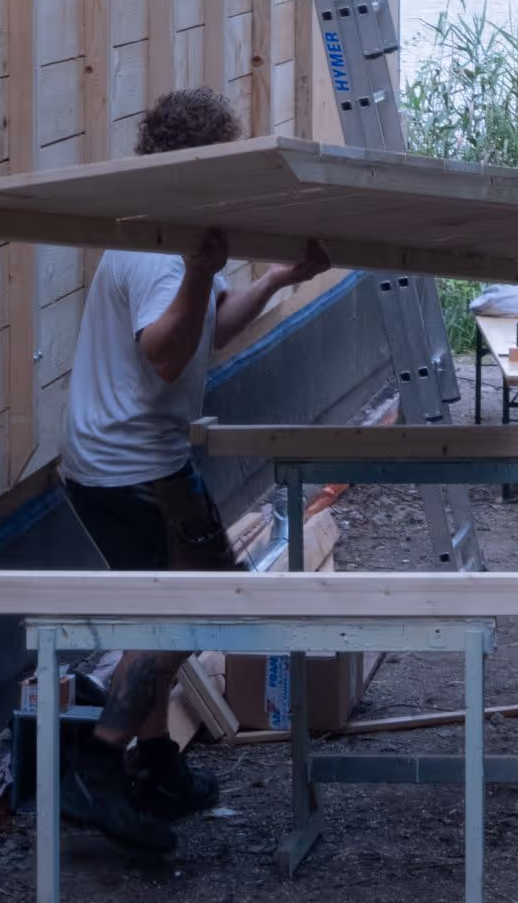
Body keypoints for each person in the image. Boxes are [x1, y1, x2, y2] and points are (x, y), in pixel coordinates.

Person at [57, 85, 331, 857]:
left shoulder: (181, 233)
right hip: (122, 467)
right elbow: (165, 352)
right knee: (176, 613)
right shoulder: (156, 247)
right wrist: (194, 273)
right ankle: (100, 765)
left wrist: (274, 278)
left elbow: (204, 333)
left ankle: (155, 766)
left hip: (139, 457)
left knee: (184, 597)